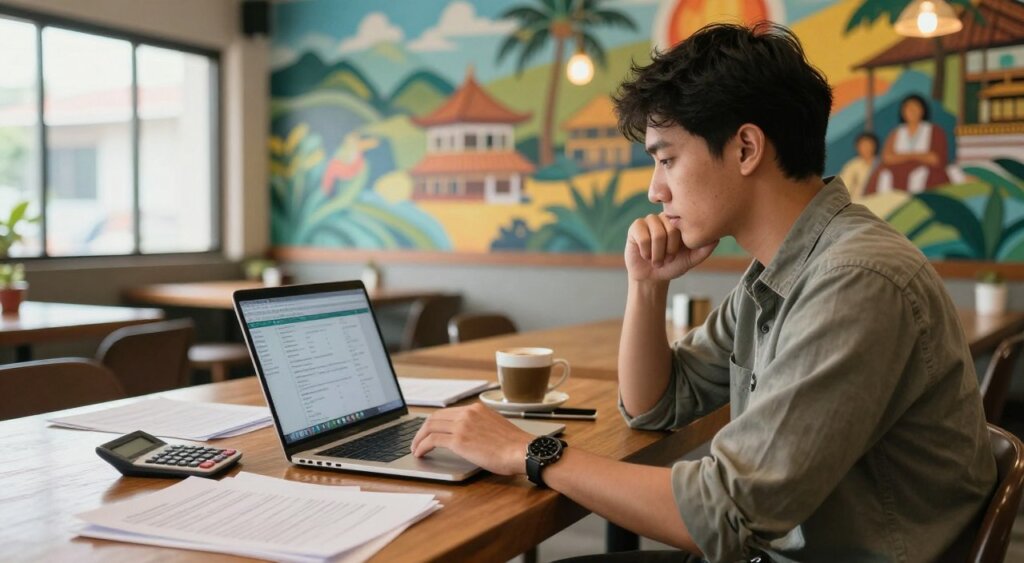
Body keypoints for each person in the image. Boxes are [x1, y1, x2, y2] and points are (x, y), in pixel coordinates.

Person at [411, 22, 995, 562]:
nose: (654, 189)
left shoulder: (857, 280)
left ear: (745, 148)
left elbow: (724, 514)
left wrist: (528, 453)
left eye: (666, 158)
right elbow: (655, 406)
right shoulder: (783, 269)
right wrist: (646, 287)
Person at [866, 94, 950, 194]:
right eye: (908, 108)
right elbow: (887, 157)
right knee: (884, 174)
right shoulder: (897, 132)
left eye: (915, 107)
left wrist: (904, 156)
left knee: (921, 175)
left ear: (923, 110)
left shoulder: (935, 131)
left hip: (925, 170)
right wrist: (918, 155)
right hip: (897, 172)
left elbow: (935, 159)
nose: (911, 111)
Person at [837, 132, 878, 198]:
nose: (866, 148)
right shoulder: (852, 166)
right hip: (859, 202)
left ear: (875, 145)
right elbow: (845, 187)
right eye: (863, 145)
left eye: (869, 144)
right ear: (857, 147)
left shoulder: (881, 163)